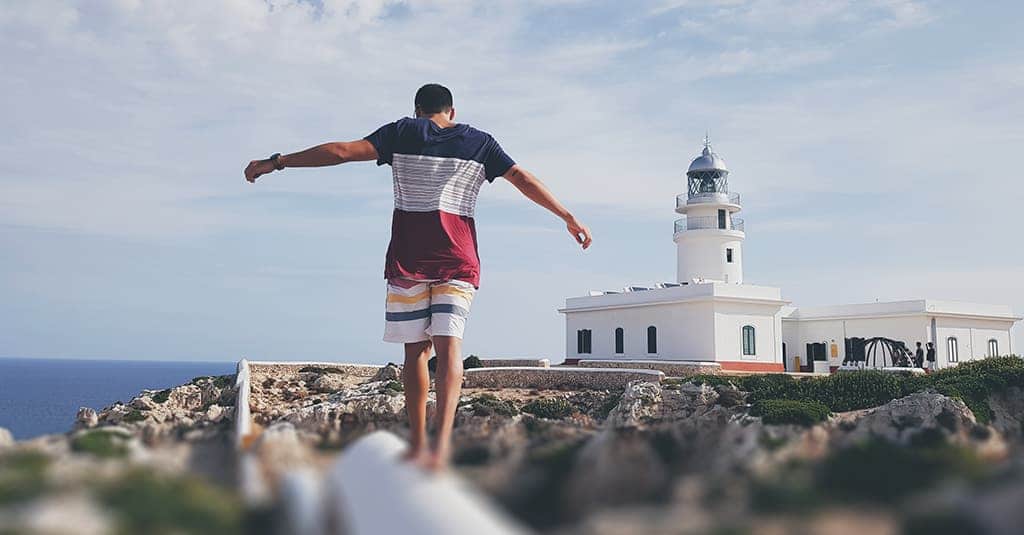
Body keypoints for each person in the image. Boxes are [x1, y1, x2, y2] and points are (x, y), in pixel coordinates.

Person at [243, 84, 592, 471]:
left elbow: (341, 152)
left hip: (409, 261)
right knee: (450, 348)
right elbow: (522, 178)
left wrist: (277, 162)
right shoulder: (480, 143)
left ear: (417, 109)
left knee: (416, 353)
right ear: (452, 111)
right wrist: (568, 217)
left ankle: (418, 443)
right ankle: (440, 448)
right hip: (459, 260)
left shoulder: (402, 132)